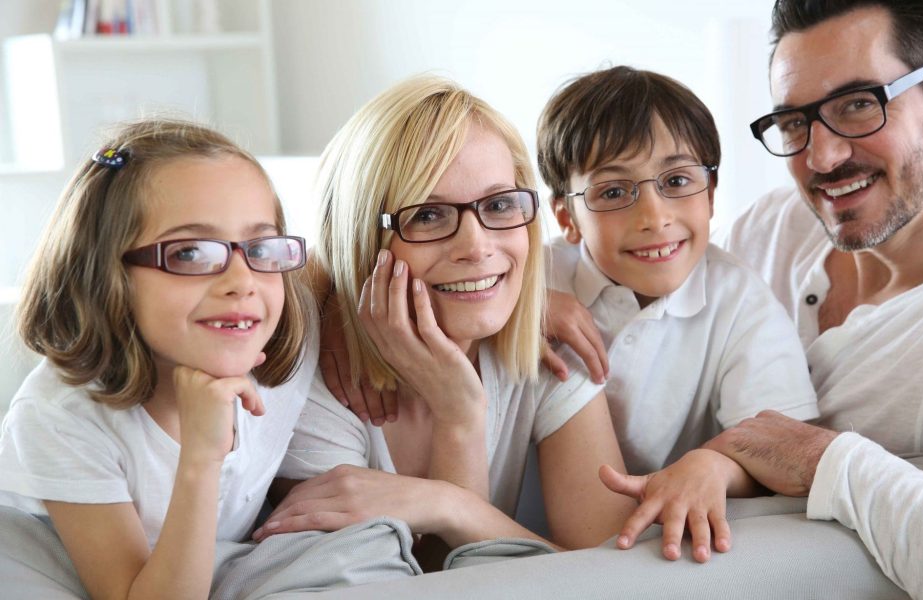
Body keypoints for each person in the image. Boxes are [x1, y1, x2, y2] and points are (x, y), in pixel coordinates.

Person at [253, 75, 636, 562]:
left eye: (499, 205)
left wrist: (456, 508)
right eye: (428, 215)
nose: (476, 246)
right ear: (362, 238)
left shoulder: (554, 350)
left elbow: (616, 575)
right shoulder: (314, 383)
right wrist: (458, 419)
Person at [698, 1, 923, 597]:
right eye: (793, 122)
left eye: (859, 105)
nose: (823, 158)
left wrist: (823, 461)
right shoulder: (771, 231)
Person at [0, 119, 316, 600]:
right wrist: (200, 458)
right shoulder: (60, 417)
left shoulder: (276, 318)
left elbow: (345, 263)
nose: (242, 280)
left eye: (261, 247)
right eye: (190, 252)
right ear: (106, 274)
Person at [534, 65, 820, 563]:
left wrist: (714, 465)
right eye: (614, 191)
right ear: (567, 218)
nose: (654, 217)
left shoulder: (742, 304)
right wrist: (525, 307)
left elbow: (784, 448)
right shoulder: (534, 277)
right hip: (519, 538)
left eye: (677, 180)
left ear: (710, 195)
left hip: (640, 551)